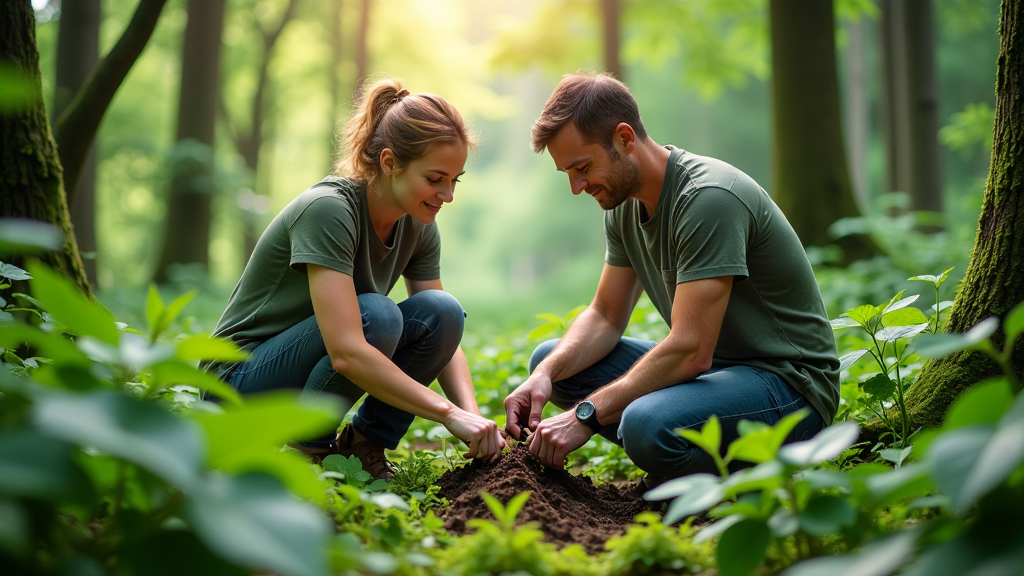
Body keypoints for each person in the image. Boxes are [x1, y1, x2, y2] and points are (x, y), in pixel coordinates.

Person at [504, 73, 839, 484]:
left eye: (583, 167)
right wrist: (544, 376)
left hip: (789, 387)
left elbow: (691, 350)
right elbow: (607, 315)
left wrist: (585, 415)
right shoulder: (623, 207)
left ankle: (742, 480)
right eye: (567, 174)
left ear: (625, 138)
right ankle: (694, 458)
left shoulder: (708, 199)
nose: (577, 187)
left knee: (646, 424)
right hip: (719, 373)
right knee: (552, 364)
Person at [207, 79, 505, 480]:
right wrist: (446, 414)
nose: (447, 194)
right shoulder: (328, 211)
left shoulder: (418, 224)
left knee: (444, 312)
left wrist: (473, 418)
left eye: (455, 180)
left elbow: (444, 334)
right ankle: (307, 451)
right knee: (376, 317)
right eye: (435, 179)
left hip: (295, 372)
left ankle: (363, 447)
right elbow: (346, 350)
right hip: (236, 385)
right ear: (388, 162)